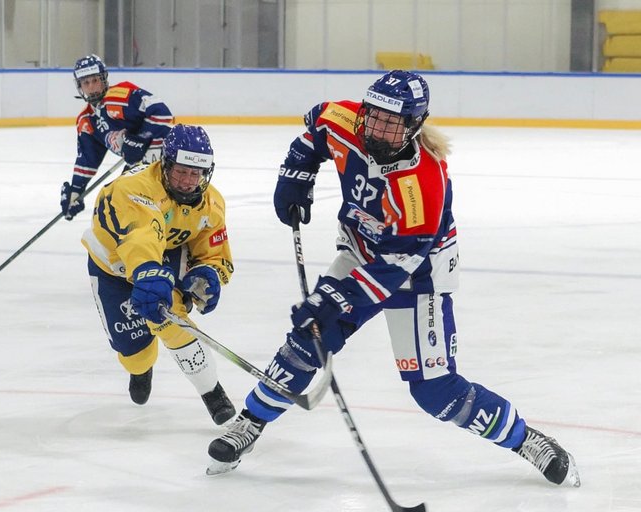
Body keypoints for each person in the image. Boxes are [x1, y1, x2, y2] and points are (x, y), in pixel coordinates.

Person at [205, 70, 581, 488]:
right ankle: (249, 424)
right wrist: (298, 173)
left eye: (392, 121)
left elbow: (394, 266)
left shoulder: (422, 183)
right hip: (360, 249)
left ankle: (525, 439)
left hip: (416, 276)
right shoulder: (347, 121)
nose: (378, 127)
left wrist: (332, 298)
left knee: (436, 392)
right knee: (305, 344)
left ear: (414, 125)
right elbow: (316, 129)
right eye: (374, 115)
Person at [81, 123, 236, 425]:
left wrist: (208, 273)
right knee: (134, 351)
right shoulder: (135, 188)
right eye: (181, 171)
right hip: (111, 264)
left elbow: (214, 250)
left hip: (162, 257)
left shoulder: (212, 203)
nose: (189, 181)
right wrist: (148, 271)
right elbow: (142, 236)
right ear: (164, 164)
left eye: (197, 173)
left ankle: (212, 393)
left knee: (171, 318)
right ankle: (140, 368)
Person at [61, 54, 174, 221]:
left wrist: (142, 139)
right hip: (137, 167)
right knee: (113, 207)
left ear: (104, 79)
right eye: (86, 83)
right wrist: (76, 191)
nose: (91, 87)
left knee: (126, 206)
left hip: (165, 162)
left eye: (95, 80)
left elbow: (162, 113)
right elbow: (87, 161)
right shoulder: (87, 121)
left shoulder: (119, 96)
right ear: (79, 87)